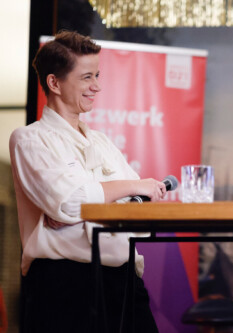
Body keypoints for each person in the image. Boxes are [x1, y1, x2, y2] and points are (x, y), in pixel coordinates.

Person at [10, 31, 163, 332]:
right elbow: (70, 202)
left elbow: (142, 215)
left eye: (97, 75)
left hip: (124, 281)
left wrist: (82, 213)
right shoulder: (29, 139)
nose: (97, 86)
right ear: (54, 83)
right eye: (86, 77)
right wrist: (131, 188)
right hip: (64, 284)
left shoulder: (103, 142)